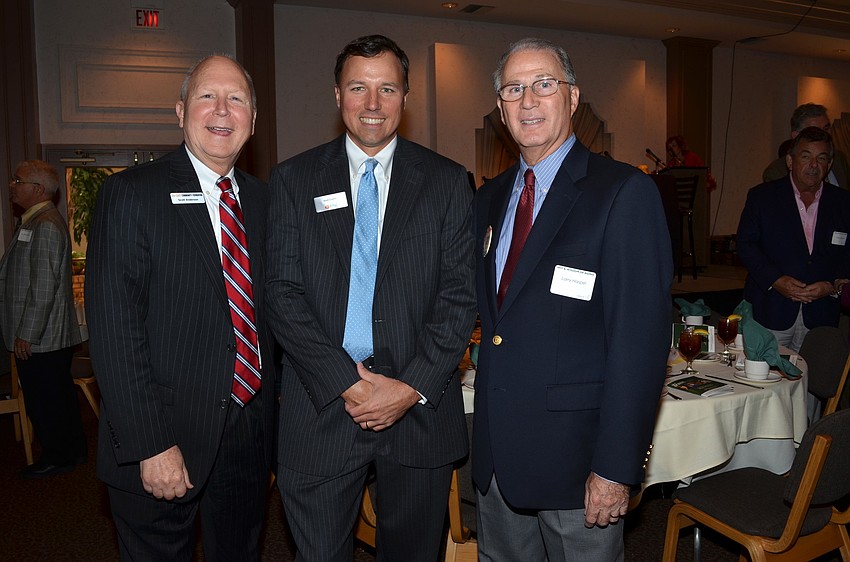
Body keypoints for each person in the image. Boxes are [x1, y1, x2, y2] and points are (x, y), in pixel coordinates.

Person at [266, 34, 476, 561]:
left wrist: (409, 388)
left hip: (418, 412)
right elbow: (282, 294)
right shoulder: (293, 180)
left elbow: (458, 297)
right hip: (321, 407)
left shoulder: (448, 182)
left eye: (387, 88)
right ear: (337, 96)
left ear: (406, 97)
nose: (373, 104)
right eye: (359, 87)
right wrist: (346, 383)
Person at [471, 38, 672, 561]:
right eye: (513, 89)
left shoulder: (622, 193)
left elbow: (640, 345)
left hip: (578, 470)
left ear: (573, 96)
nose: (529, 101)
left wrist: (615, 468)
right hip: (498, 466)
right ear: (500, 109)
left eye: (544, 84)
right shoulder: (488, 199)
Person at [85, 55, 274, 560]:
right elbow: (114, 332)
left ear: (253, 119)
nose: (222, 110)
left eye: (237, 99)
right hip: (162, 438)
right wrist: (151, 443)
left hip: (245, 437)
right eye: (207, 97)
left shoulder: (265, 201)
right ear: (180, 111)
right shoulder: (130, 194)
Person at [0, 160, 86, 478]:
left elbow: (43, 288)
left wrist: (27, 334)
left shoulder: (45, 225)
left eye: (17, 179)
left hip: (41, 337)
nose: (12, 184)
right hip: (44, 336)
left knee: (46, 401)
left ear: (36, 189)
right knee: (58, 397)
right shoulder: (34, 222)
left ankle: (58, 456)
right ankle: (72, 451)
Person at [737, 126, 850, 353]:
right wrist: (776, 280)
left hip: (822, 313)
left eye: (821, 158)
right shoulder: (762, 197)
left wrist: (832, 287)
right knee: (765, 379)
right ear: (790, 161)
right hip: (771, 309)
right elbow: (746, 245)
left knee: (812, 385)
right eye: (806, 157)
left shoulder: (844, 203)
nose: (813, 165)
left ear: (829, 164)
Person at [763, 103, 850, 190]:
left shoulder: (839, 159)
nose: (825, 136)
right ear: (796, 136)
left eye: (826, 128)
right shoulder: (776, 172)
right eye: (815, 132)